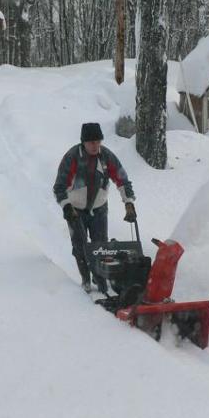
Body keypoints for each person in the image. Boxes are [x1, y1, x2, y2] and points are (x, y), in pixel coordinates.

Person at [53, 123, 137, 293]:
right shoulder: (72, 158)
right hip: (75, 210)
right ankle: (85, 279)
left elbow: (122, 179)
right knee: (81, 246)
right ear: (83, 142)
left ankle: (101, 281)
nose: (95, 146)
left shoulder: (106, 157)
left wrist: (128, 203)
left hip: (99, 208)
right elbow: (59, 187)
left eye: (98, 141)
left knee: (101, 247)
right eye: (91, 142)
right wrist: (66, 207)